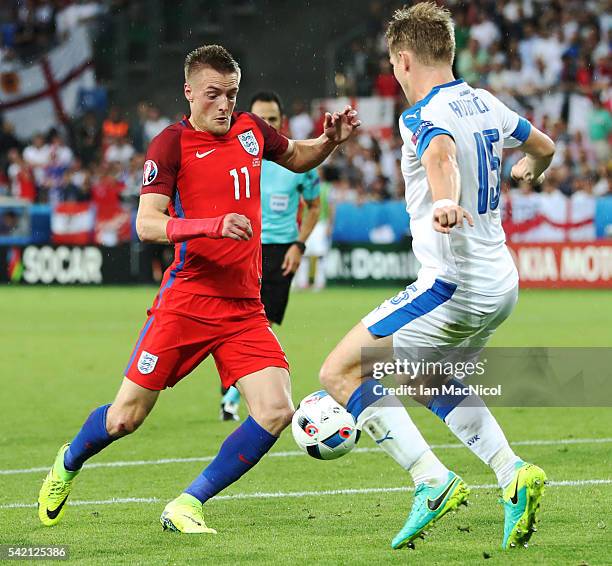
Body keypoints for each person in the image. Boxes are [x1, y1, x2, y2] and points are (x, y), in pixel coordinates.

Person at [37, 44, 360, 534]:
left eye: (231, 93)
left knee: (275, 410)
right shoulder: (170, 144)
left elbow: (297, 156)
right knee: (125, 418)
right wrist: (209, 225)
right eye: (214, 95)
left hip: (244, 307)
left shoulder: (252, 130)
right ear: (189, 92)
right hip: (187, 301)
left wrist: (330, 141)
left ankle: (188, 503)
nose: (225, 105)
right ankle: (70, 459)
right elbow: (146, 223)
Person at [318, 3, 554, 551]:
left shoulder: (421, 116)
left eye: (393, 65)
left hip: (452, 286)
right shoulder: (486, 101)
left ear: (403, 60)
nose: (395, 75)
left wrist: (445, 201)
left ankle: (431, 481)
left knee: (339, 373)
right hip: (501, 284)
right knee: (425, 379)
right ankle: (511, 473)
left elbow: (440, 153)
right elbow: (543, 146)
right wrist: (530, 170)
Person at [219, 90, 321, 421]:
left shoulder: (297, 162)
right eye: (260, 118)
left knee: (265, 321)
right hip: (241, 247)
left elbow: (314, 206)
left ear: (282, 122)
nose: (266, 124)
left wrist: (299, 245)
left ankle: (233, 392)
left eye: (273, 120)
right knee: (238, 323)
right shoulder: (233, 157)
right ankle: (235, 393)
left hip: (281, 251)